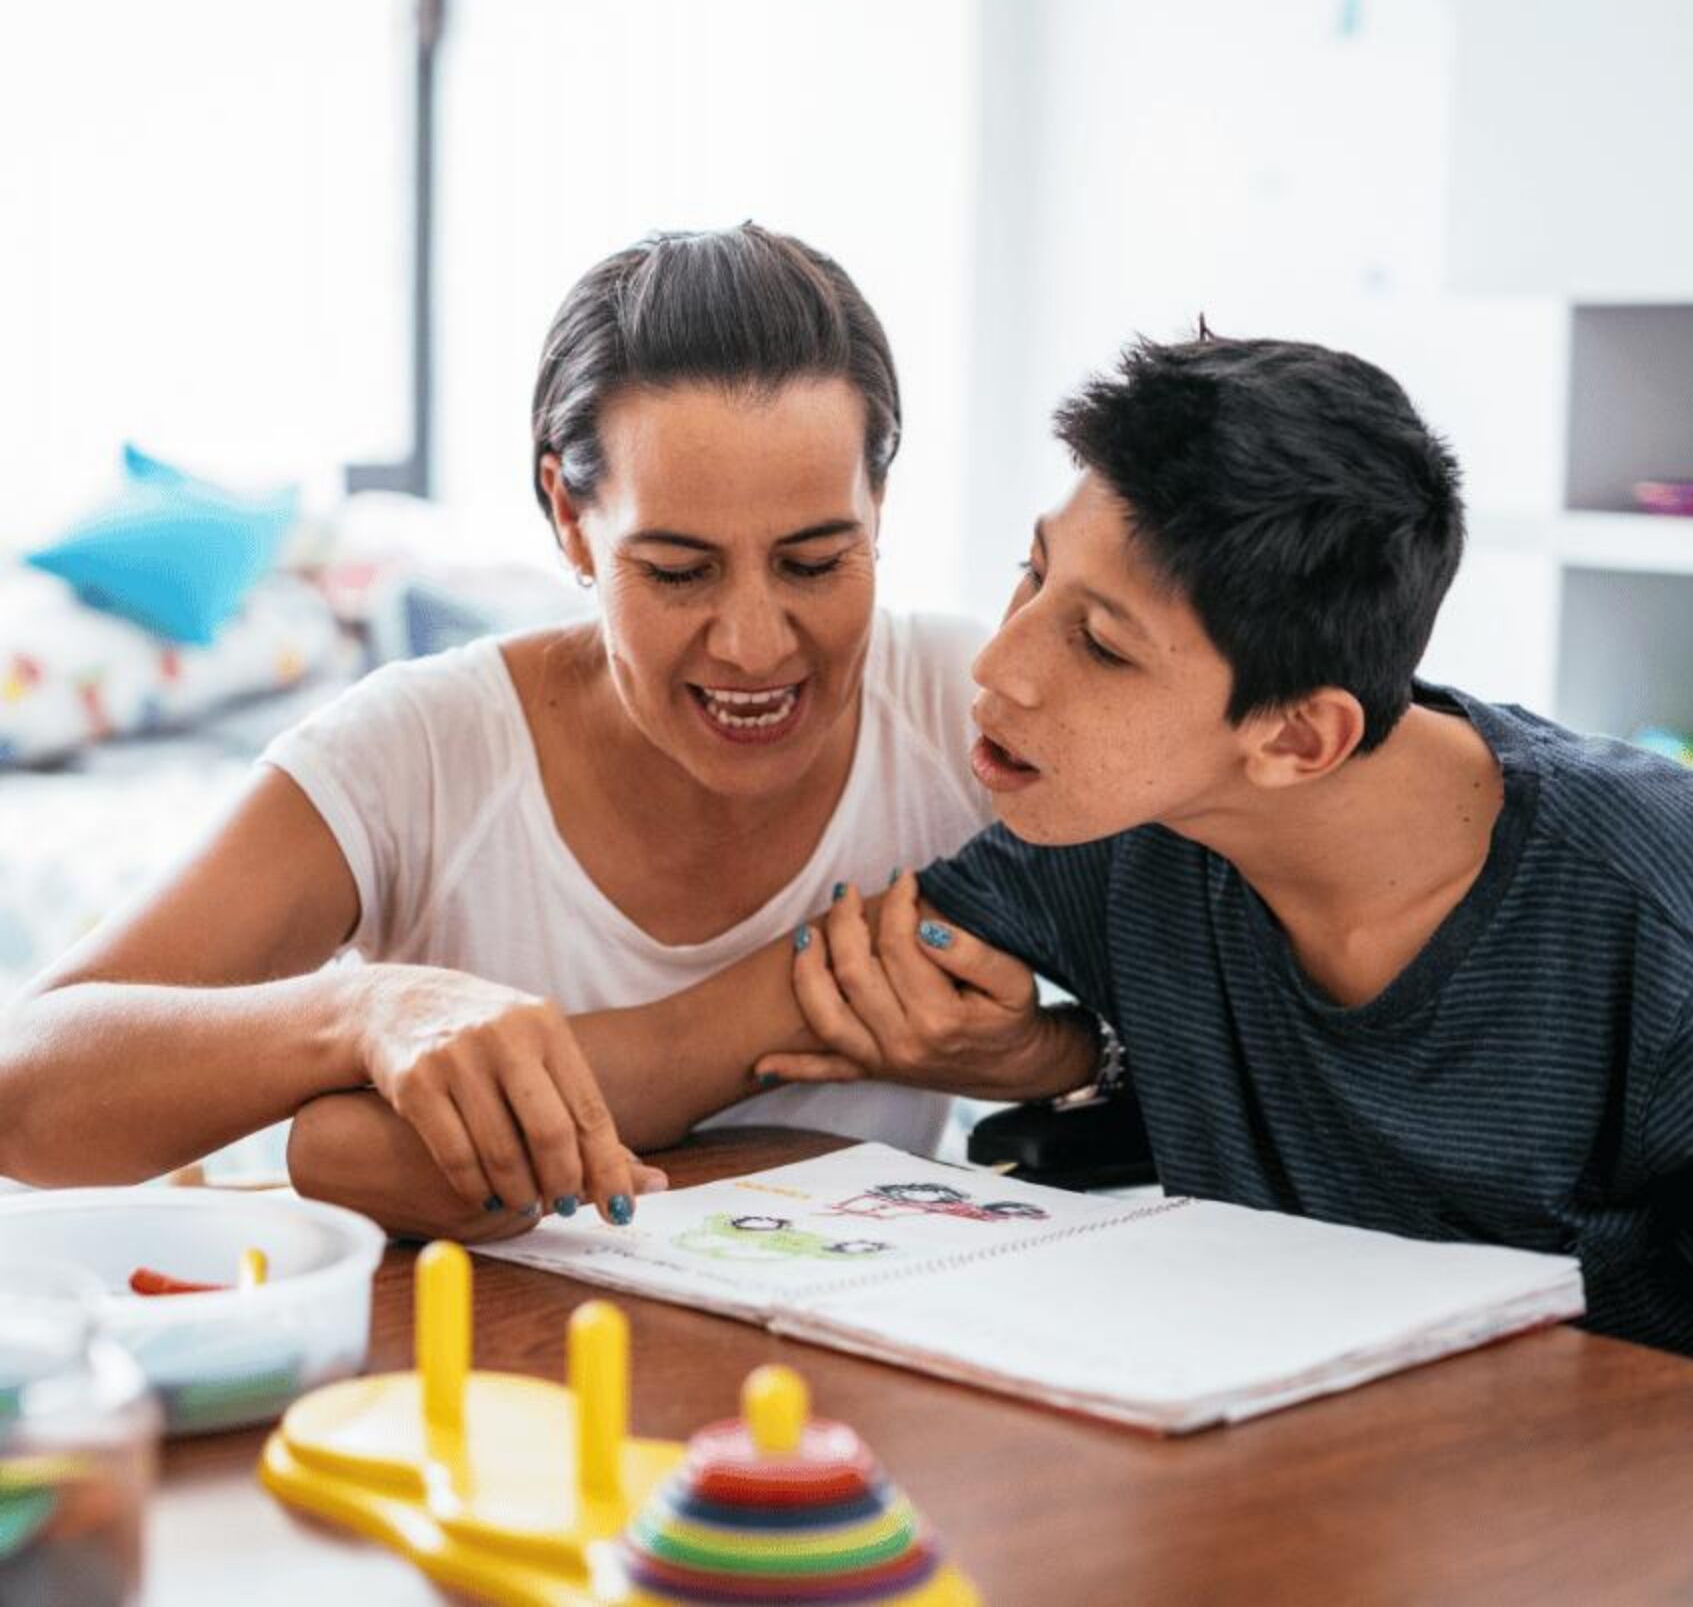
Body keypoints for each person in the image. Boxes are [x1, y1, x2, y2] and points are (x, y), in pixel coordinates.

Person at [751, 332, 1693, 1393]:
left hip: (1644, 1514)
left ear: (1297, 738)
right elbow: (745, 1023)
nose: (999, 661)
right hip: (1324, 1473)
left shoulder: (1651, 896)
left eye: (1101, 645)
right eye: (1033, 571)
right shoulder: (1133, 830)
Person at [0, 224, 992, 1238]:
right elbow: (24, 1089)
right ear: (568, 514)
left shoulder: (970, 708)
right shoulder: (421, 752)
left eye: (816, 562)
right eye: (678, 571)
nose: (750, 644)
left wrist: (1057, 1051)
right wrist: (363, 1012)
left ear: (878, 502)